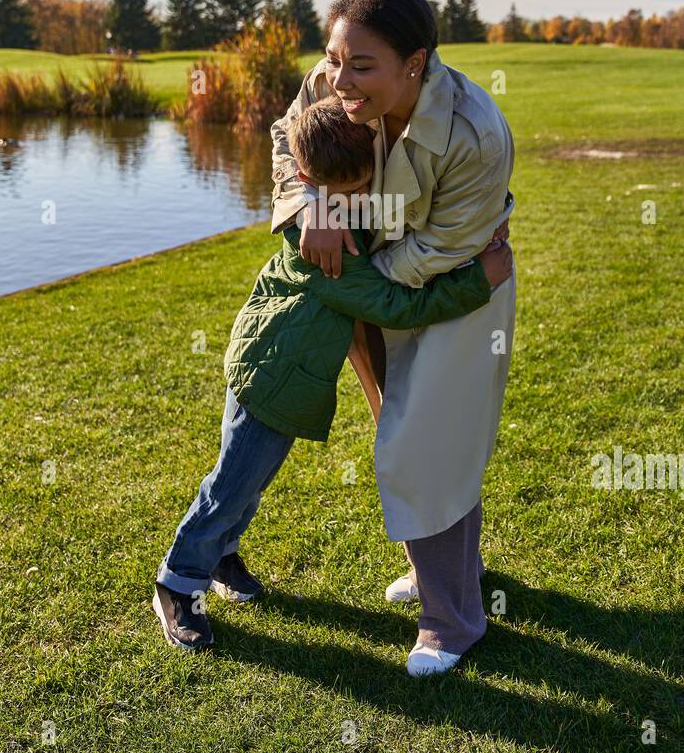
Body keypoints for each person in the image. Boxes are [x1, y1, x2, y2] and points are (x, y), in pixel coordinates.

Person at [153, 96, 513, 653]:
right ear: (307, 177)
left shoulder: (330, 211)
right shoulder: (326, 245)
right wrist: (478, 281)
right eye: (343, 194)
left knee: (250, 482)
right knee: (231, 484)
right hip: (271, 377)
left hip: (286, 373)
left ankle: (222, 557)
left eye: (363, 187)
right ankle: (178, 583)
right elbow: (395, 307)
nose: (356, 202)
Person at [270, 0, 516, 676]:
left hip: (454, 294)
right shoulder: (331, 81)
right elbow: (289, 144)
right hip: (371, 294)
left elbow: (444, 249)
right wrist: (313, 203)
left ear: (416, 61)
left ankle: (452, 623)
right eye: (334, 58)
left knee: (424, 446)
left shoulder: (475, 130)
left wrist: (355, 283)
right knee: (403, 433)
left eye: (361, 65)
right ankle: (444, 574)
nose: (339, 80)